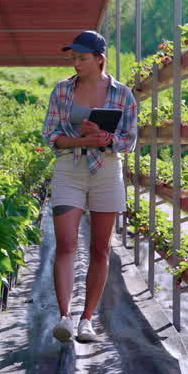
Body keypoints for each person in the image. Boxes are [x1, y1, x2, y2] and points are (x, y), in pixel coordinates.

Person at [42, 30, 139, 343]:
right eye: (73, 57)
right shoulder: (61, 90)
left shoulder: (122, 94)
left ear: (100, 59)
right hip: (70, 168)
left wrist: (107, 139)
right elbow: (51, 135)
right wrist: (83, 140)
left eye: (82, 58)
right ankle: (65, 317)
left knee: (100, 249)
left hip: (106, 170)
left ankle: (87, 320)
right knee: (66, 243)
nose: (76, 63)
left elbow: (130, 140)